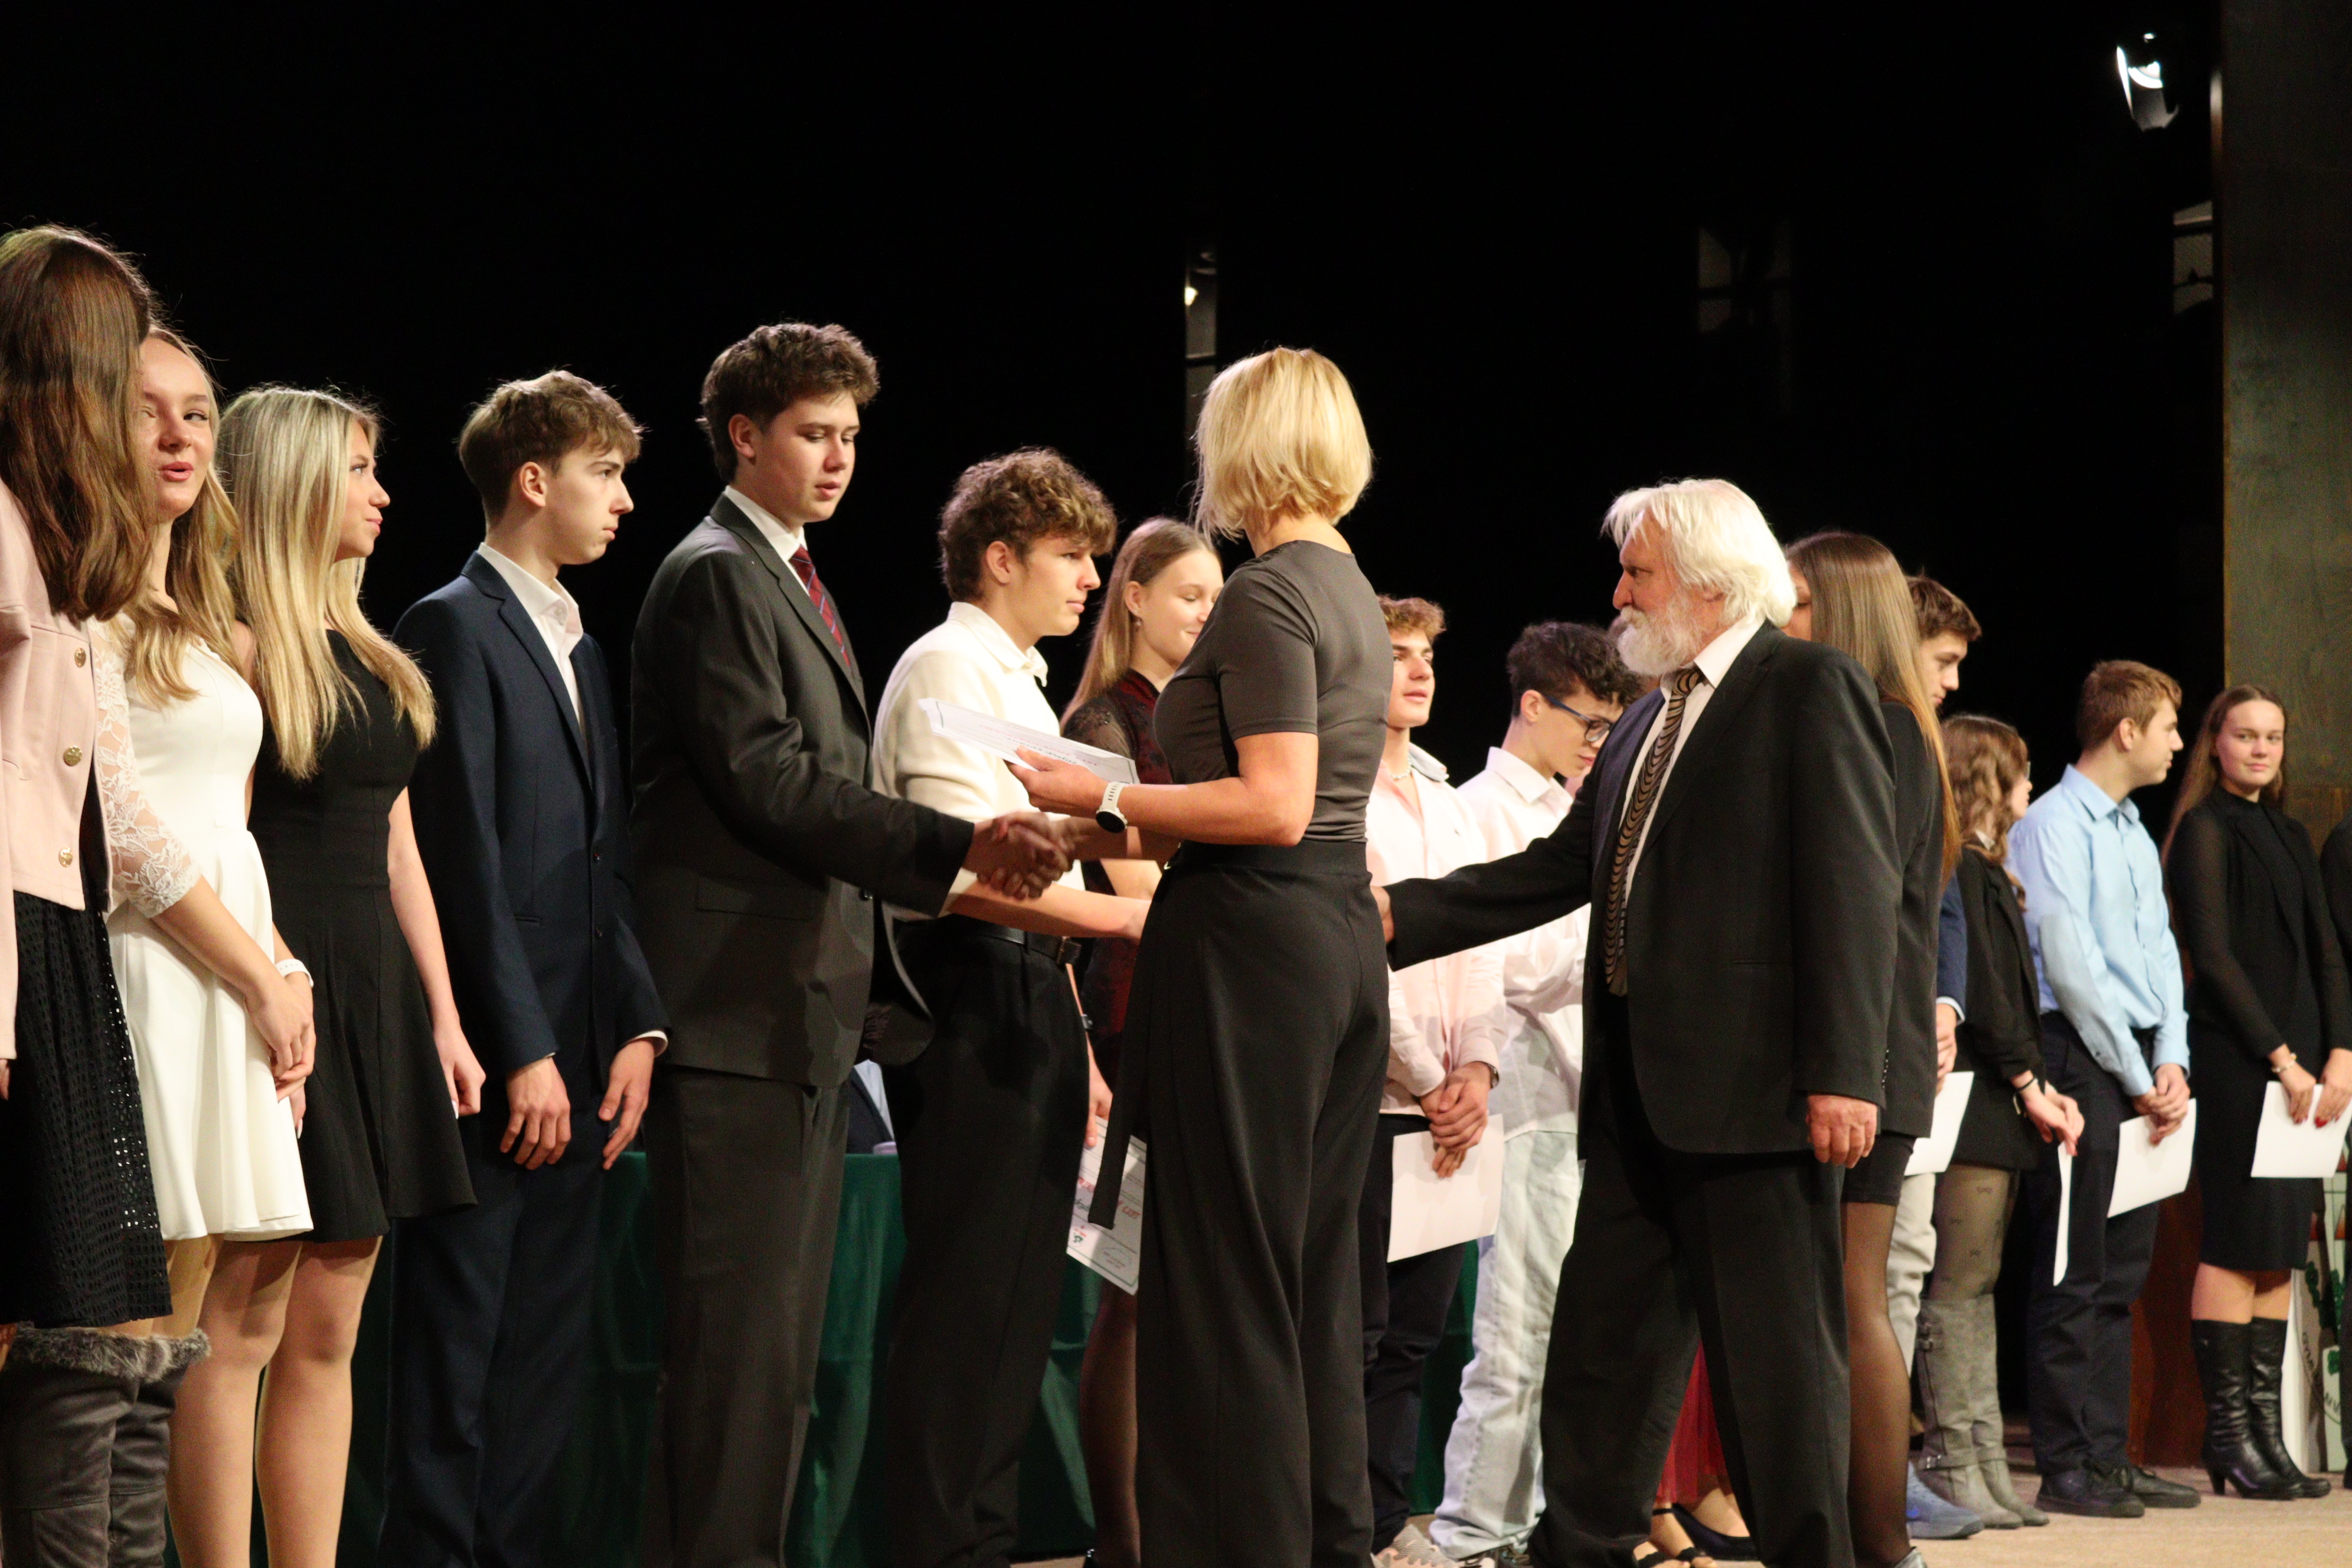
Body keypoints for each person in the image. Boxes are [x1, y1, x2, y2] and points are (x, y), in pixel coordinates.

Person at [1378, 479, 1902, 1568]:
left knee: (1775, 1381)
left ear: (1709, 584)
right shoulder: (1646, 719)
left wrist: (1847, 1071)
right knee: (1600, 1361)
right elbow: (1560, 868)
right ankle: (1578, 1550)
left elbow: (1854, 888)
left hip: (1754, 1102)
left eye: (1639, 573)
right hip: (1633, 1106)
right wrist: (1398, 915)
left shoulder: (1807, 686)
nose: (1618, 594)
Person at [628, 322, 1064, 1568]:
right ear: (744, 436)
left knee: (772, 1364)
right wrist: (962, 842)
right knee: (736, 1361)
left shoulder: (787, 574)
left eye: (851, 437)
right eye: (812, 433)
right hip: (737, 1015)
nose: (837, 459)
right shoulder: (718, 574)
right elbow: (772, 780)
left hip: (795, 1015)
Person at [1010, 347, 1393, 1568]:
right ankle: (1323, 1540)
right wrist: (1099, 825)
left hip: (1256, 952)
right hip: (1325, 939)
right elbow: (1286, 807)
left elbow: (1274, 803)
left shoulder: (1272, 593)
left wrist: (1107, 799)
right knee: (1305, 1282)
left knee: (1225, 1286)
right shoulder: (1348, 586)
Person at [172, 386, 483, 1568]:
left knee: (330, 1325)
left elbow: (397, 841)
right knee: (240, 1320)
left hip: (374, 994)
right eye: (357, 468)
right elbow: (215, 834)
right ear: (294, 482)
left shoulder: (368, 649)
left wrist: (443, 1013)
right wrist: (266, 983)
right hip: (279, 981)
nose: (382, 493)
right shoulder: (233, 648)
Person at [381, 371, 671, 1567]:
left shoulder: (579, 642)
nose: (625, 500)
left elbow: (604, 859)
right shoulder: (451, 623)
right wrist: (523, 1050)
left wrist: (637, 1022)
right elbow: (463, 859)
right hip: (504, 1061)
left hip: (582, 1048)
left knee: (546, 1354)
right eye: (607, 473)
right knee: (460, 1343)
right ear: (535, 480)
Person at [867, 448, 1145, 1568]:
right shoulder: (946, 666)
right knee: (967, 1310)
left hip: (1028, 996)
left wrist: (1078, 1039)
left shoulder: (1018, 682)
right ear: (999, 558)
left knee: (1014, 1315)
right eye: (1072, 556)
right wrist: (1129, 918)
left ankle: (978, 1541)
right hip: (968, 1001)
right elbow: (963, 875)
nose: (1090, 581)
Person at [0, 225, 213, 1565]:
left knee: (108, 1316)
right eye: (120, 370)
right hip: (14, 951)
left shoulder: (60, 547)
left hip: (59, 949)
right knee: (62, 1317)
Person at [1429, 620, 1636, 1567]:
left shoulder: (1570, 807)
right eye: (1590, 725)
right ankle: (1475, 1532)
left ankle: (1531, 1520)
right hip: (1516, 1084)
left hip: (1579, 1092)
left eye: (1610, 730)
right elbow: (1495, 959)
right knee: (1515, 1326)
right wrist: (1608, 955)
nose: (1600, 745)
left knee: (1564, 1332)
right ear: (1532, 706)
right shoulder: (1478, 811)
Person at [1782, 531, 1958, 1568]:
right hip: (1874, 1048)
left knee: (1853, 1299)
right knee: (1849, 1298)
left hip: (1862, 1056)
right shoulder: (1898, 725)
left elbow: (1854, 908)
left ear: (1842, 611)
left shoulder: (1880, 725)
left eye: (1798, 601)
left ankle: (1882, 1546)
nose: (1780, 616)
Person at [1060, 517, 1223, 1568]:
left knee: (1186, 1296)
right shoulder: (1103, 719)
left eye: (1217, 600)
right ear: (1133, 597)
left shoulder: (1207, 720)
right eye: (1190, 596)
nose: (1207, 616)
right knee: (1131, 1296)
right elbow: (1136, 886)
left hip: (1207, 1013)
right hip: (1135, 1024)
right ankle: (1121, 1542)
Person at [2008, 659, 2197, 1518]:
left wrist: (2172, 1059)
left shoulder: (2130, 830)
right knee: (2072, 1269)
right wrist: (2132, 1072)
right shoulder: (2054, 824)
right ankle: (2065, 1461)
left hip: (2140, 1065)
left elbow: (2159, 954)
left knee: (2122, 1272)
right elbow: (2071, 967)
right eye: (2168, 727)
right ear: (2126, 730)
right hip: (2081, 1059)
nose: (2178, 743)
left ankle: (2109, 1454)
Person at [2163, 685, 2351, 1500]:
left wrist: (2341, 1052)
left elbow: (2327, 952)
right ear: (2217, 742)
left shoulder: (2288, 832)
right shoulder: (2205, 830)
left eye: (2273, 737)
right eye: (2246, 736)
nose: (2262, 750)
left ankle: (2266, 1440)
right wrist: (2281, 1058)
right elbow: (2213, 957)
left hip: (2309, 1068)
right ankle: (2229, 1435)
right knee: (2236, 1241)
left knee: (2279, 1247)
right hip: (2245, 1061)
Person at [1357, 595, 1505, 1568]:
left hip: (1453, 1106)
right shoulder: (1339, 793)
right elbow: (1357, 959)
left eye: (1428, 656)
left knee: (1415, 1337)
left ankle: (1383, 1524)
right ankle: (1340, 1530)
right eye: (1396, 654)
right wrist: (1424, 1077)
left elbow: (1484, 942)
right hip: (1379, 1101)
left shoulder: (1449, 803)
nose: (1419, 670)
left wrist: (1478, 1069)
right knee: (1357, 1333)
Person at [1910, 717, 2080, 1527]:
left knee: (1978, 1288)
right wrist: (2029, 1080)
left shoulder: (1990, 872)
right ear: (1988, 779)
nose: (2030, 786)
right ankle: (1952, 1460)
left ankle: (1984, 1461)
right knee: (1956, 1285)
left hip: (1999, 1102)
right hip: (1974, 1096)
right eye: (2021, 771)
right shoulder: (1959, 869)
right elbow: (1984, 997)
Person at [1890, 573, 1985, 1540]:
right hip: (1865, 1044)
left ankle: (1890, 1464)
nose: (1952, 682)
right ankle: (1868, 1472)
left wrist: (1946, 1001)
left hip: (1923, 1047)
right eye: (1944, 660)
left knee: (1909, 1260)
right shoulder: (1861, 730)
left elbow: (1944, 903)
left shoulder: (1923, 742)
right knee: (1871, 1271)